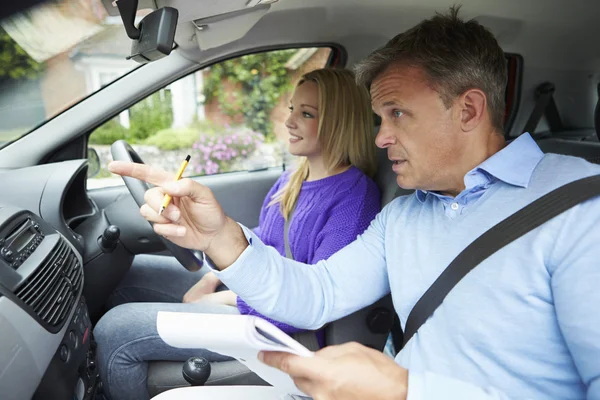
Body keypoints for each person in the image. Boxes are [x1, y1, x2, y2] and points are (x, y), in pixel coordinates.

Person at [109, 7, 600, 400]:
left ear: (468, 109)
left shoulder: (582, 209)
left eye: (397, 114)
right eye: (377, 117)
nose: (381, 137)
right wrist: (221, 238)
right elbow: (317, 292)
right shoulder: (406, 214)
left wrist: (408, 391)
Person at [94, 68, 382, 400]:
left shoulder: (354, 199)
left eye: (307, 114)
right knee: (130, 275)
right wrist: (211, 276)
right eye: (292, 109)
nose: (289, 121)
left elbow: (314, 298)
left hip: (280, 328)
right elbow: (265, 237)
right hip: (253, 292)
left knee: (116, 331)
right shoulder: (295, 177)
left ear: (339, 122)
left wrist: (222, 297)